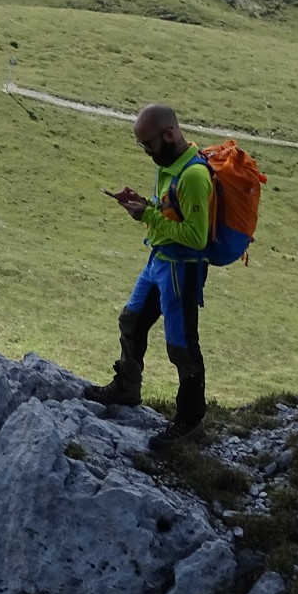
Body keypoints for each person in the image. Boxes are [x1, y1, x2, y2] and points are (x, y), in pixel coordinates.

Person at [85, 104, 213, 449]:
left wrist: (148, 217)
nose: (146, 152)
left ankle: (190, 418)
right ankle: (127, 387)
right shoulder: (169, 164)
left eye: (149, 144)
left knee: (181, 343)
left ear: (169, 134)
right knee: (131, 321)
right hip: (158, 259)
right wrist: (146, 205)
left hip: (181, 270)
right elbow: (169, 210)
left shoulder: (194, 176)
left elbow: (196, 237)